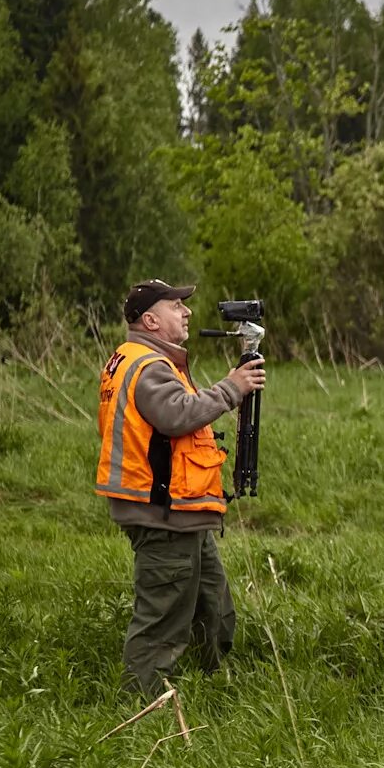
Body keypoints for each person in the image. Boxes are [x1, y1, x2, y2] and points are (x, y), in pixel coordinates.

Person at [96, 280, 266, 698]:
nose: (187, 312)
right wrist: (232, 388)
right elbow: (176, 416)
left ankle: (213, 688)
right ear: (150, 320)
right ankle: (141, 708)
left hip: (180, 510)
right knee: (162, 620)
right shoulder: (148, 366)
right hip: (162, 511)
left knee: (214, 605)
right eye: (176, 306)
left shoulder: (139, 359)